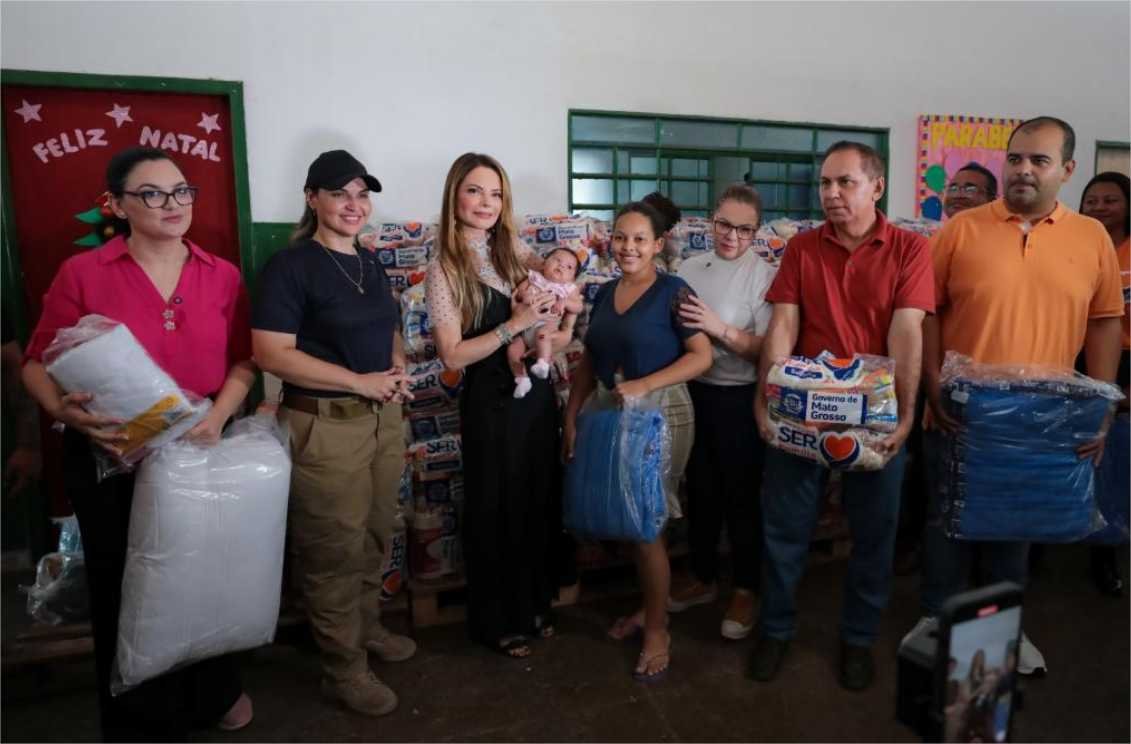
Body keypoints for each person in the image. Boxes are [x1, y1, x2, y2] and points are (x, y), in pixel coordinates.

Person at [20, 146, 256, 740]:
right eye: (151, 193)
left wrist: (220, 414)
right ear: (117, 204)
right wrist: (61, 410)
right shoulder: (85, 273)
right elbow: (34, 362)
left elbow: (244, 362)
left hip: (202, 449)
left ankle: (212, 693)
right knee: (126, 584)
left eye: (181, 192)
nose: (171, 205)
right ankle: (137, 714)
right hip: (111, 456)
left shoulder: (221, 272)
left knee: (207, 579)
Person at [911, 117, 1124, 677]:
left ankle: (1000, 632)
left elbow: (1104, 322)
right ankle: (936, 621)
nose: (1024, 169)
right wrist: (932, 385)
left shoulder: (1091, 237)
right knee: (945, 521)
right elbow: (927, 312)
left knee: (1018, 525)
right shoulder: (959, 231)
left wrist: (1100, 406)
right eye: (1016, 159)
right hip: (959, 410)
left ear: (1067, 170)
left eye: (1040, 161)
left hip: (1046, 421)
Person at [750, 141, 934, 691]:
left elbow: (907, 332)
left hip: (876, 415)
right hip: (804, 411)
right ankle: (776, 630)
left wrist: (904, 415)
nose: (831, 193)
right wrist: (766, 398)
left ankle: (857, 638)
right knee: (784, 529)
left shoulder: (909, 249)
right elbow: (783, 325)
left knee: (874, 534)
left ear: (876, 186)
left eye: (844, 182)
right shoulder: (803, 249)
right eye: (825, 183)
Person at [252, 149, 417, 718]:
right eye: (340, 193)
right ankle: (343, 670)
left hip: (381, 420)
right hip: (325, 426)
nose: (354, 205)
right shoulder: (290, 266)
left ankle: (365, 629)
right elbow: (271, 354)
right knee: (332, 551)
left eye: (362, 195)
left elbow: (389, 328)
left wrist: (394, 370)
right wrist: (358, 382)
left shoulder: (370, 263)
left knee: (374, 534)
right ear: (311, 198)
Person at [564, 199, 712, 681]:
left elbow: (701, 356)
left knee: (648, 523)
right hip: (610, 410)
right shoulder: (604, 293)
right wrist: (571, 415)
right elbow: (589, 360)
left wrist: (645, 385)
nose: (628, 247)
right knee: (626, 516)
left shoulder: (673, 291)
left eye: (639, 239)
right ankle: (650, 611)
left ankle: (656, 628)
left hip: (660, 413)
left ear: (658, 244)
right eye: (621, 237)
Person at [426, 152, 567, 660]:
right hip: (490, 402)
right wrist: (513, 324)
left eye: (496, 193)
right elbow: (451, 354)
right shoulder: (443, 268)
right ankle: (496, 619)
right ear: (454, 196)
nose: (486, 203)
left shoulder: (514, 250)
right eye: (475, 191)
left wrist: (564, 305)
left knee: (535, 497)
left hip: (535, 396)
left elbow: (557, 282)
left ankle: (533, 605)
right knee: (496, 504)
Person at [670, 184, 775, 641]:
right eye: (725, 224)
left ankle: (747, 588)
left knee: (741, 497)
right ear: (711, 220)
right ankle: (702, 575)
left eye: (744, 229)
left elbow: (768, 351)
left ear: (756, 232)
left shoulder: (765, 276)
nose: (732, 235)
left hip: (739, 397)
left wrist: (720, 329)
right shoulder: (689, 267)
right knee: (701, 490)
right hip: (694, 392)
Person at [895, 161, 998, 575]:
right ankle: (924, 550)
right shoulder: (930, 241)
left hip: (984, 381)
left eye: (971, 189)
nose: (958, 193)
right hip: (932, 372)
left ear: (993, 200)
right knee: (927, 469)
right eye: (954, 186)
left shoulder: (996, 247)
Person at [1080, 171, 1130, 597]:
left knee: (1111, 460)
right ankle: (1047, 537)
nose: (1098, 207)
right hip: (1072, 360)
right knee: (1068, 451)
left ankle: (1105, 550)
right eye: (1091, 200)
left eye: (1109, 200)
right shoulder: (1078, 245)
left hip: (1125, 362)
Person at [507, 247, 583, 398]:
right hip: (523, 329)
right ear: (543, 264)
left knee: (543, 335)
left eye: (568, 267)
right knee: (513, 349)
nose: (561, 266)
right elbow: (519, 293)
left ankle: (543, 364)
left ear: (573, 277)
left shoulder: (568, 289)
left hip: (545, 327)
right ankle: (522, 379)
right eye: (557, 260)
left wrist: (565, 302)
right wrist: (525, 296)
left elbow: (578, 307)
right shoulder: (533, 278)